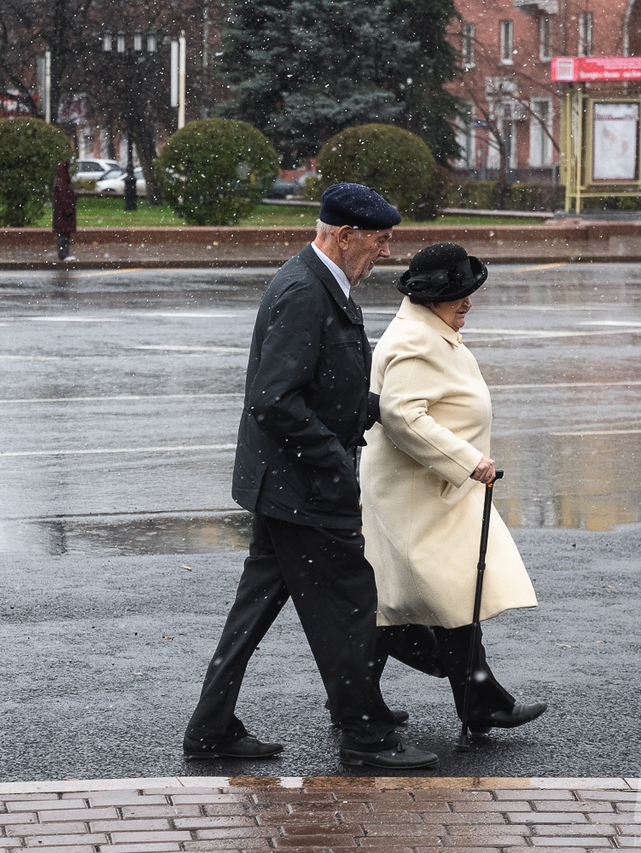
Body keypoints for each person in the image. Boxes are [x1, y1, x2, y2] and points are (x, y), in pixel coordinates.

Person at [183, 183, 438, 771]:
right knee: (349, 605)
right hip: (305, 487)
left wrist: (376, 410)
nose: (388, 251)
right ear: (344, 236)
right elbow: (274, 400)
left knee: (255, 610)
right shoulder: (305, 290)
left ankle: (210, 726)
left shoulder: (320, 281)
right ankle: (364, 737)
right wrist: (334, 463)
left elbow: (320, 384)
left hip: (286, 484)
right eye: (379, 239)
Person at [360, 242, 547, 737]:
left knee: (401, 600)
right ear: (430, 298)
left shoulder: (432, 331)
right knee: (444, 595)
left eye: (469, 292)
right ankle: (478, 698)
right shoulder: (416, 342)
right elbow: (402, 415)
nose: (468, 303)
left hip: (431, 493)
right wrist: (469, 461)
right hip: (419, 496)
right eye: (458, 295)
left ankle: (356, 701)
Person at [52, 161, 76, 261]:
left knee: (63, 235)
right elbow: (64, 200)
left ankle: (63, 254)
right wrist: (69, 211)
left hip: (61, 216)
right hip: (64, 216)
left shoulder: (61, 183)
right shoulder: (62, 184)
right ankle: (63, 254)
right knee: (63, 235)